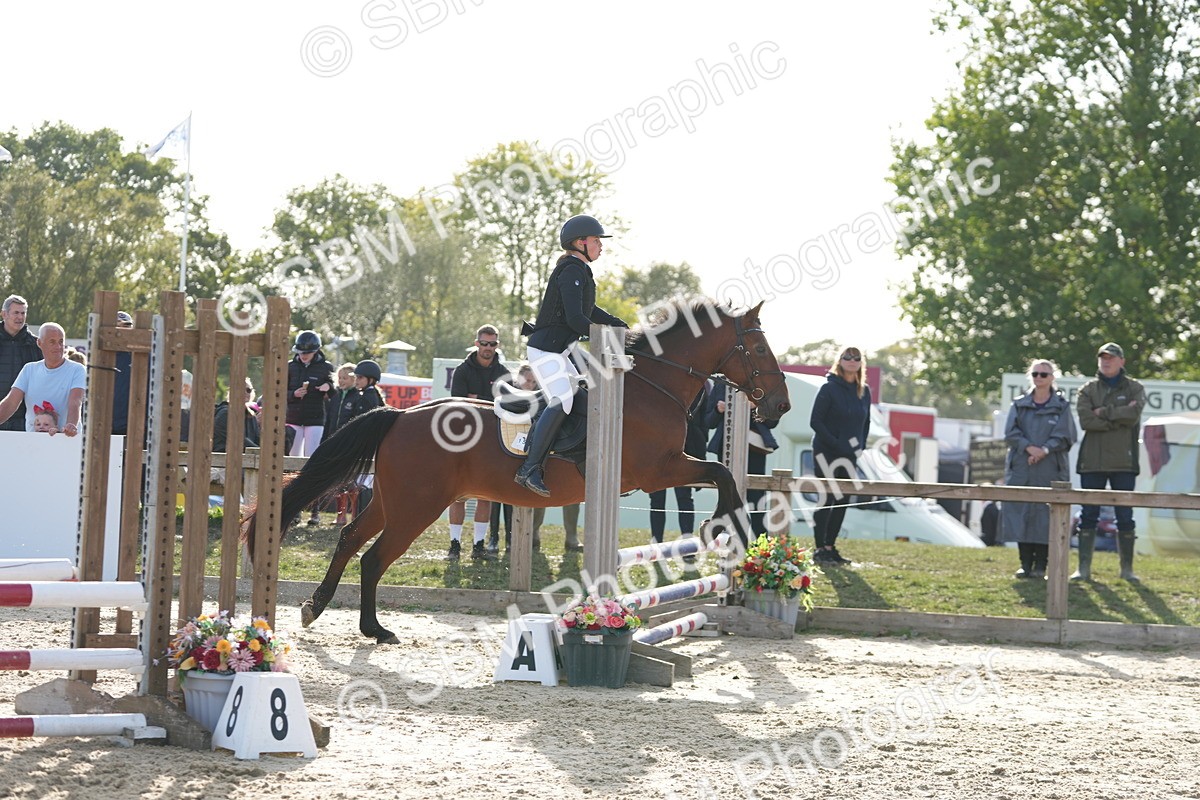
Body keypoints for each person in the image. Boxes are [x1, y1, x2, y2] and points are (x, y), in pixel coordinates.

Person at [515, 214, 627, 497]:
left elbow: (589, 311)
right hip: (544, 350)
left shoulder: (579, 270)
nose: (601, 246)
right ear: (581, 242)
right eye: (597, 241)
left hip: (558, 351)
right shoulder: (570, 271)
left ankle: (584, 465)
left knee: (583, 400)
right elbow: (577, 319)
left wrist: (618, 325)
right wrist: (603, 334)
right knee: (563, 398)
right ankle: (529, 468)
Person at [1075, 342, 1147, 582]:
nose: (1106, 361)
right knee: (1088, 514)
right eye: (1103, 358)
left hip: (1123, 463)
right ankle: (1083, 569)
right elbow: (1086, 421)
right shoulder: (1087, 389)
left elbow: (1134, 415)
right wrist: (1118, 417)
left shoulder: (1135, 388)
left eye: (1112, 357)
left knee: (1125, 515)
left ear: (1121, 361)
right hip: (1092, 461)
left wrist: (1103, 412)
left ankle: (1127, 570)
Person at [1000, 359, 1078, 579]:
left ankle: (1041, 566)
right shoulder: (1019, 404)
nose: (1039, 378)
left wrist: (1044, 450)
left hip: (1050, 468)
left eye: (1044, 374)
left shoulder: (1061, 406)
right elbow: (1011, 434)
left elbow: (1066, 435)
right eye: (1035, 373)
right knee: (1020, 512)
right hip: (1022, 468)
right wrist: (1029, 448)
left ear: (1053, 377)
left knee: (1047, 516)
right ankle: (1024, 563)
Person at [447, 326, 508, 561]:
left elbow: (505, 407)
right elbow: (458, 406)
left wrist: (477, 401)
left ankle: (478, 545)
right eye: (484, 343)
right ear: (476, 343)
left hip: (492, 442)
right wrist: (489, 403)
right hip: (464, 439)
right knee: (458, 495)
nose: (488, 348)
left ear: (497, 345)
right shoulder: (462, 371)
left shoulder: (503, 372)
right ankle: (454, 545)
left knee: (486, 495)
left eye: (492, 344)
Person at [807, 347, 871, 566]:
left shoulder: (864, 391)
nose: (852, 361)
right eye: (847, 357)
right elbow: (815, 422)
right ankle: (819, 549)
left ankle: (830, 546)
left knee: (843, 500)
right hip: (826, 451)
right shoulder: (829, 388)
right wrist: (836, 443)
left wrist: (860, 446)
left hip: (850, 454)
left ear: (861, 363)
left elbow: (866, 423)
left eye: (856, 358)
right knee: (827, 498)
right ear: (840, 361)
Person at [706, 380, 779, 544]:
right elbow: (708, 422)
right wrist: (718, 410)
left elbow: (773, 422)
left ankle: (762, 543)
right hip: (725, 447)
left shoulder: (760, 382)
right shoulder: (720, 384)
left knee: (756, 496)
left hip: (754, 449)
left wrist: (757, 408)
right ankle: (729, 539)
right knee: (728, 495)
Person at [0, 322, 86, 435]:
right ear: (39, 343)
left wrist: (71, 425)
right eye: (52, 342)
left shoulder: (77, 369)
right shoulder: (29, 369)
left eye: (61, 342)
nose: (58, 347)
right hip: (33, 443)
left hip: (66, 441)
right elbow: (11, 402)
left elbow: (75, 401)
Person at [287, 330, 335, 526]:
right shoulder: (289, 367)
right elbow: (280, 390)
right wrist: (293, 394)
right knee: (292, 461)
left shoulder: (326, 368)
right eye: (301, 352)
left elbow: (334, 392)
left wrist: (328, 388)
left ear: (316, 351)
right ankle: (293, 508)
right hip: (294, 417)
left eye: (307, 352)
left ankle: (314, 509)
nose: (303, 355)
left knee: (311, 461)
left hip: (315, 419)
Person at [649, 386, 710, 544]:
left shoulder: (700, 388)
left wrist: (699, 451)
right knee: (658, 499)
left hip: (686, 448)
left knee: (684, 498)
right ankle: (656, 542)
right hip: (658, 449)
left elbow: (703, 422)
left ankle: (687, 543)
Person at [0, 295, 41, 432]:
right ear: (4, 314)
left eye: (23, 313)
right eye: (16, 313)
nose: (20, 317)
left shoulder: (36, 345)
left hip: (25, 419)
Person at [111, 311, 133, 435]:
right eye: (117, 327)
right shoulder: (100, 356)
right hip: (104, 424)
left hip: (132, 426)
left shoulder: (140, 356)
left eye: (126, 326)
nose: (122, 331)